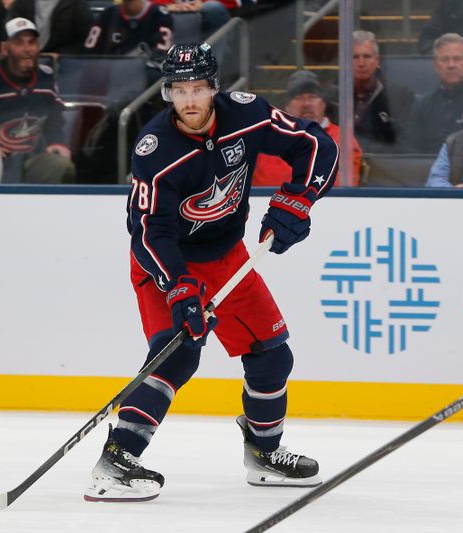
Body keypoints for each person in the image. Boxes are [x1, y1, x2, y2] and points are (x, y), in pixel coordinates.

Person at [84, 43, 338, 502]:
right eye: (180, 90)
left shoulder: (249, 114)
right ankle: (117, 459)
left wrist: (298, 198)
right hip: (167, 262)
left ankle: (263, 454)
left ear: (215, 89)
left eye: (199, 88)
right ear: (168, 93)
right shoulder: (156, 150)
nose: (191, 100)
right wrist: (178, 286)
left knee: (272, 355)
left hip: (229, 258)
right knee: (177, 354)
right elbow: (147, 231)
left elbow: (317, 145)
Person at [0, 17, 75, 183]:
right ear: (4, 48)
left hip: (31, 161)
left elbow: (54, 116)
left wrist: (56, 142)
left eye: (31, 43)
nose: (27, 49)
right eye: (19, 43)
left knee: (61, 165)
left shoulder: (46, 78)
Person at [255, 69, 360, 186]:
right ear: (287, 107)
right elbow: (263, 183)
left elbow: (342, 184)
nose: (306, 104)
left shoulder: (343, 138)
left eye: (313, 97)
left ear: (323, 104)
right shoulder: (269, 138)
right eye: (298, 98)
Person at [407, 33, 463, 154]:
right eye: (444, 59)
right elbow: (412, 150)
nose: (451, 65)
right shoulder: (421, 106)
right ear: (435, 66)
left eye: (457, 59)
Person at [351, 30, 414, 154]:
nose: (361, 63)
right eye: (355, 57)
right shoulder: (335, 96)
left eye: (367, 56)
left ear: (377, 60)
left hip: (384, 168)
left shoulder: (400, 97)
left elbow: (403, 145)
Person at [83, 0, 174, 75]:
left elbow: (160, 56)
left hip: (142, 78)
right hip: (107, 75)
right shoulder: (107, 14)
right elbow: (89, 53)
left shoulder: (160, 16)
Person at [5, 0, 92, 54]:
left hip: (64, 65)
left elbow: (86, 41)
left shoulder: (77, 4)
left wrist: (61, 55)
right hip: (25, 59)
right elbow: (8, 32)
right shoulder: (21, 3)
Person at [150, 1, 230, 38]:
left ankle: (216, 63)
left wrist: (203, 3)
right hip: (166, 16)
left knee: (213, 8)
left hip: (204, 21)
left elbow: (235, 2)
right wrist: (164, 6)